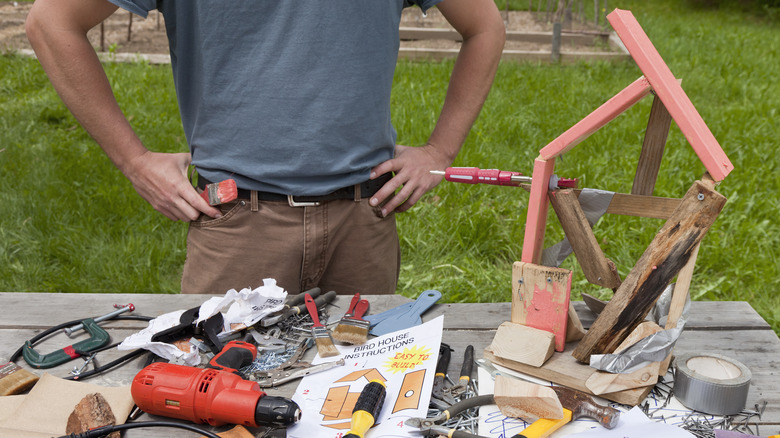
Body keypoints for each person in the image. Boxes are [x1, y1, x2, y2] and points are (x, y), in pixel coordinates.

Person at [25, 0, 505, 295]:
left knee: (361, 403)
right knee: (221, 404)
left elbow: (485, 26)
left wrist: (440, 152)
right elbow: (51, 22)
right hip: (237, 227)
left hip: (363, 222)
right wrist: (134, 162)